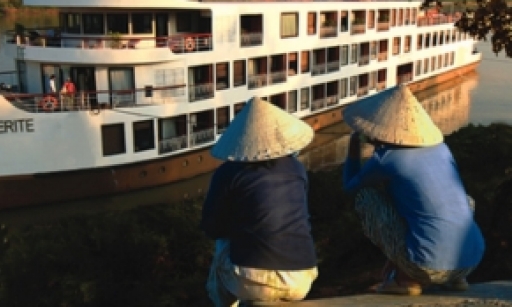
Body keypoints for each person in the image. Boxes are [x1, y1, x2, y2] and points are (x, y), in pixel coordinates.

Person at [342, 84, 485, 296]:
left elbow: (350, 186)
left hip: (427, 265)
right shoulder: (442, 149)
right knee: (461, 200)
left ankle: (406, 280)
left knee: (367, 196)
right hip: (472, 259)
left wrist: (354, 148)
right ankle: (455, 279)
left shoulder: (387, 159)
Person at [201, 97, 318, 306]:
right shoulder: (297, 169)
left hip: (252, 281)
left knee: (224, 243)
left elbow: (211, 228)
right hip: (302, 278)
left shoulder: (228, 172)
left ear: (241, 140)